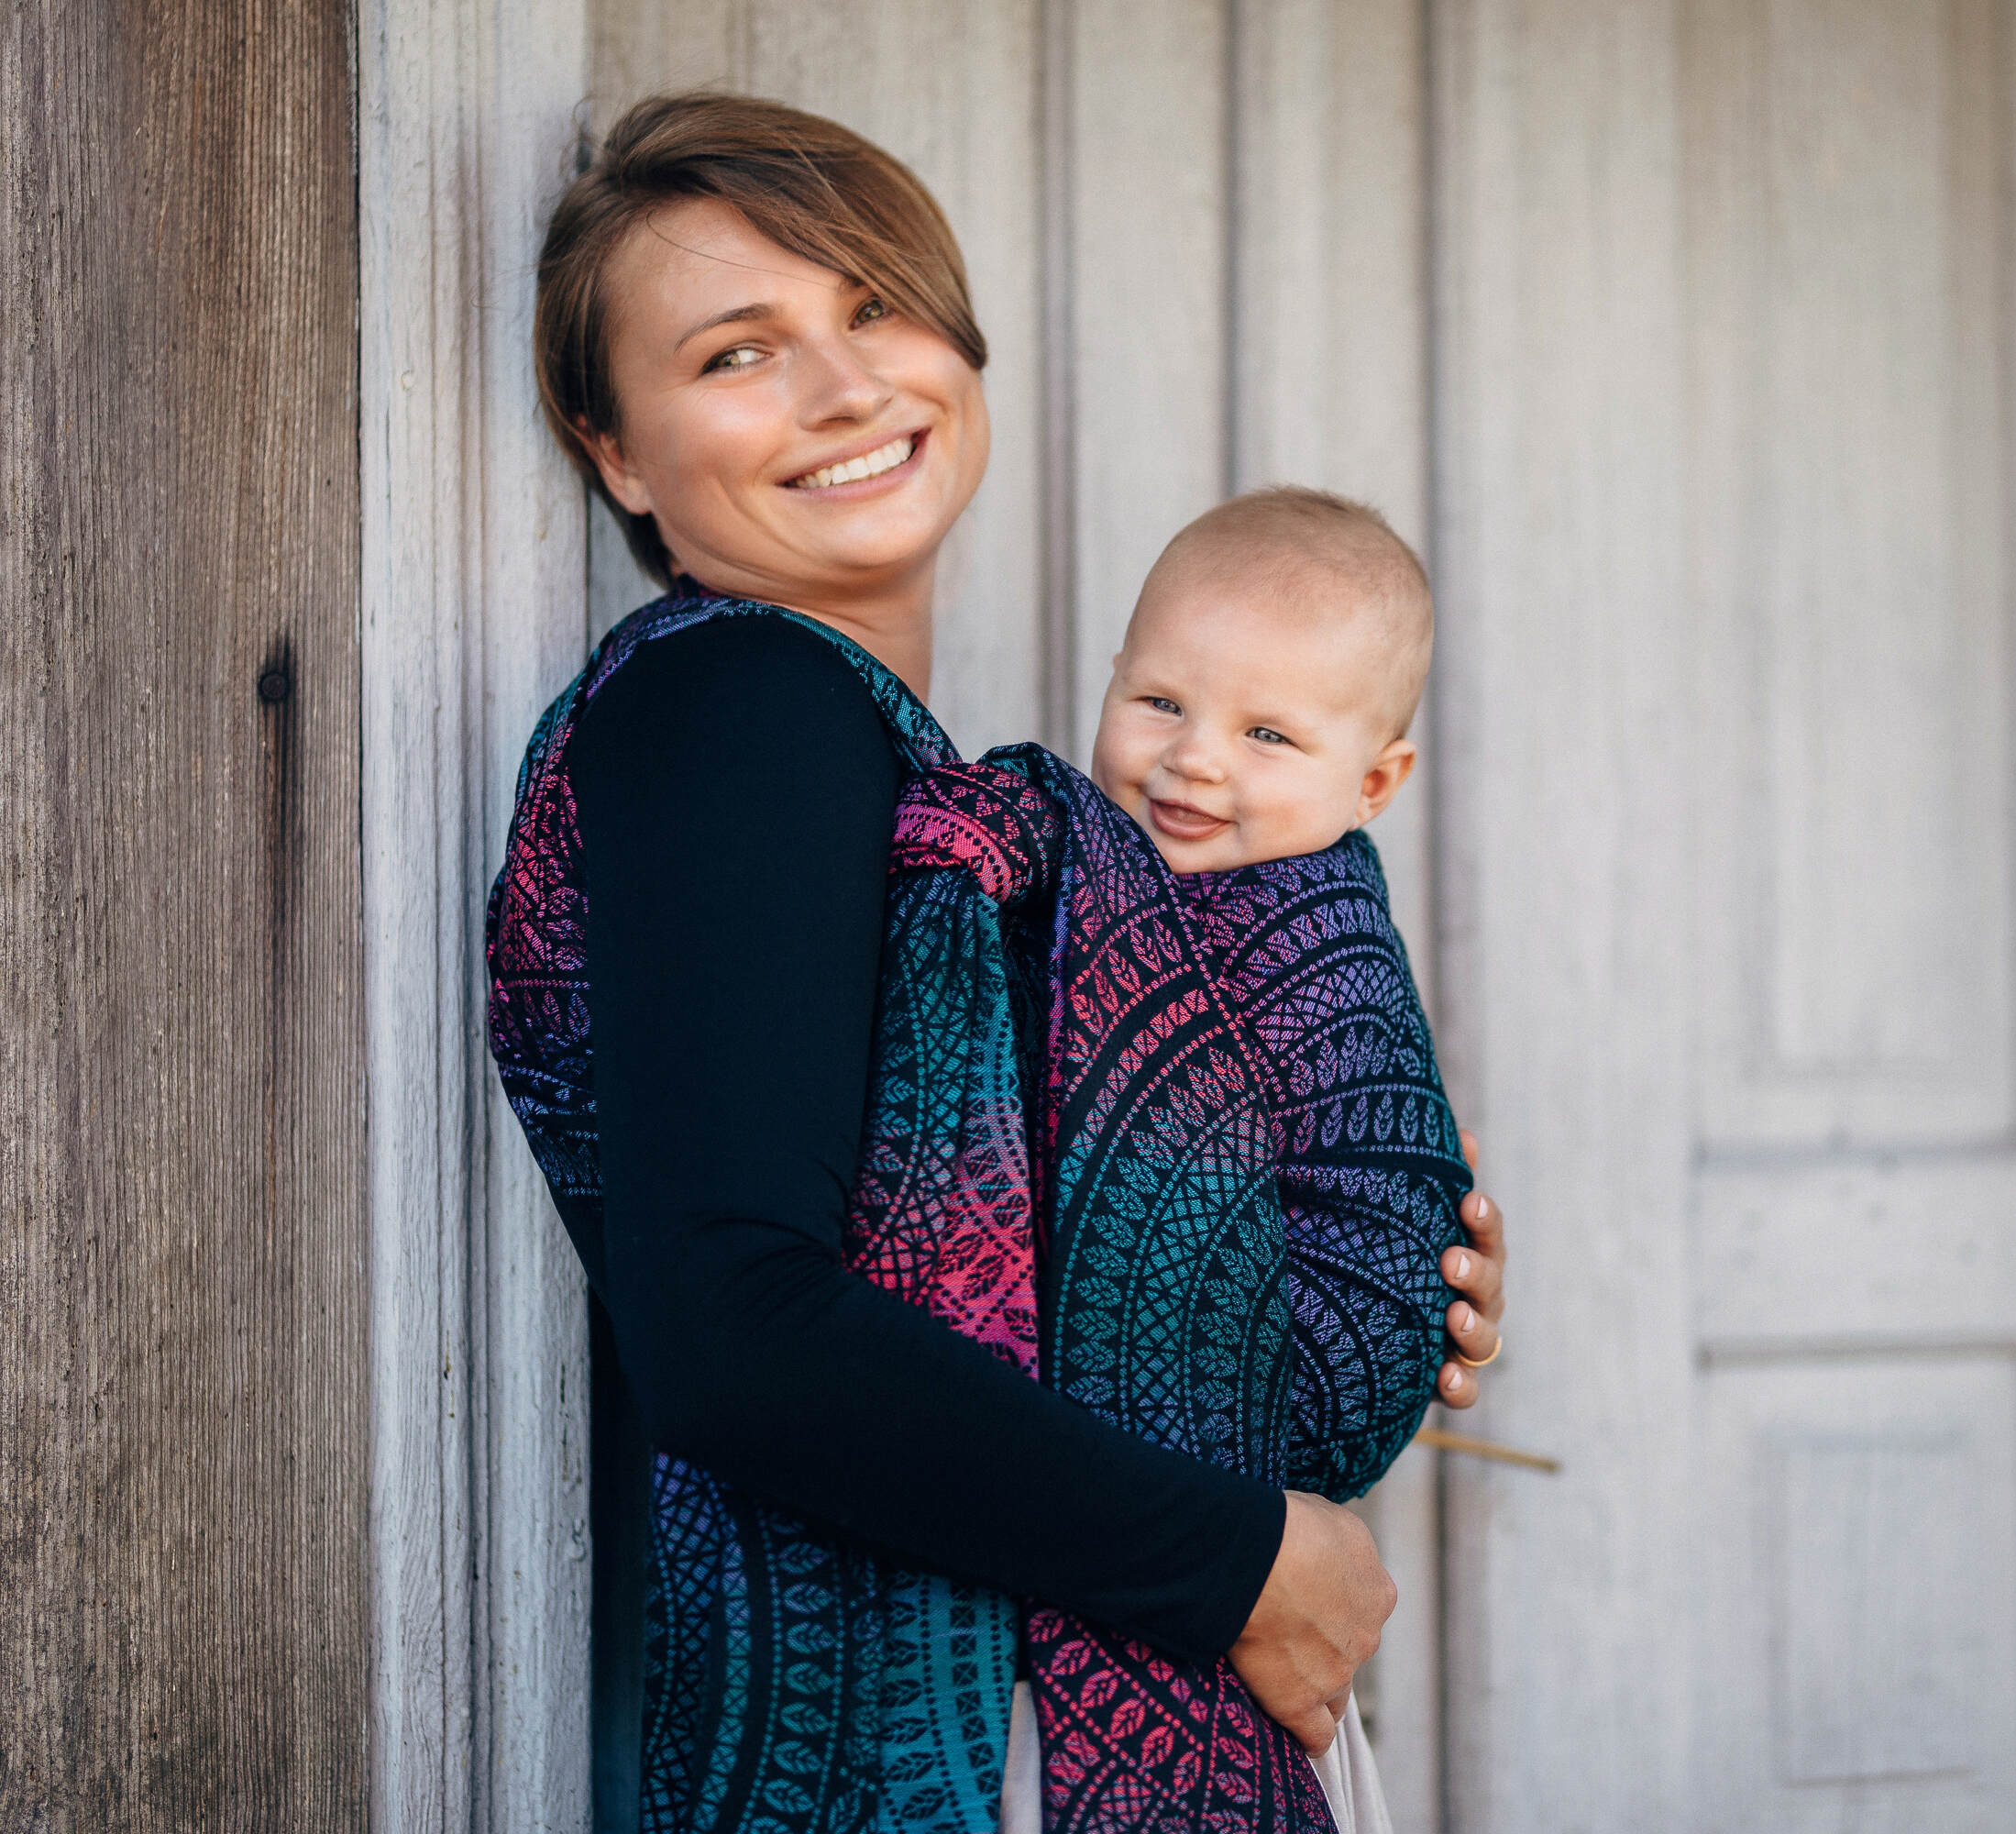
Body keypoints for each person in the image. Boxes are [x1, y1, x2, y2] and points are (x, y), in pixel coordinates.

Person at [482, 94, 1507, 1833]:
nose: (844, 386)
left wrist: (1329, 1255)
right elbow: (734, 1327)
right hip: (957, 1731)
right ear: (619, 453)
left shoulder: (892, 771)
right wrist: (1245, 1557)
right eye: (739, 352)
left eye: (872, 306)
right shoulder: (746, 706)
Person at [896, 485, 1464, 1834]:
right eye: (1160, 703)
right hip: (1123, 1531)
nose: (1193, 762)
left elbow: (1384, 1194)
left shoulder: (1314, 950)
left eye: (1268, 733)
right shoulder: (1111, 893)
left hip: (1259, 1467)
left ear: (1373, 781)